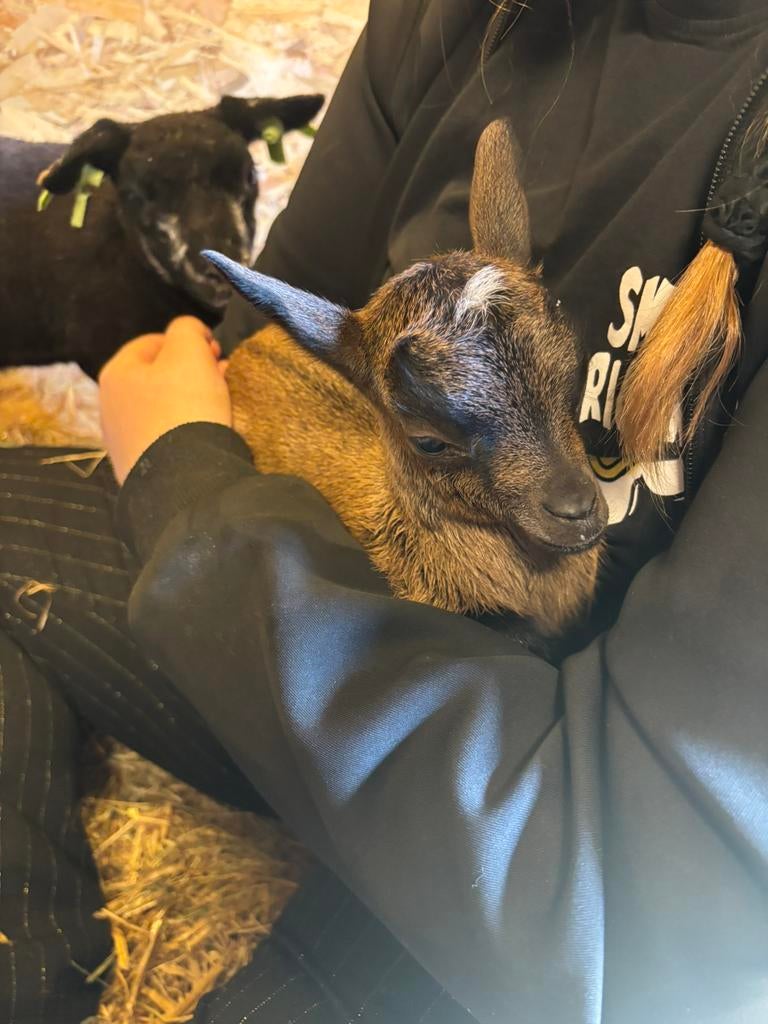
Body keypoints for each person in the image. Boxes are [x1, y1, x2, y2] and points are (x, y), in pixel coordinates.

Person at [1, 1, 768, 1022]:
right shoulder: (459, 16)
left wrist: (185, 486)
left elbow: (646, 933)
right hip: (330, 649)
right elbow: (288, 305)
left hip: (535, 862)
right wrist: (191, 460)